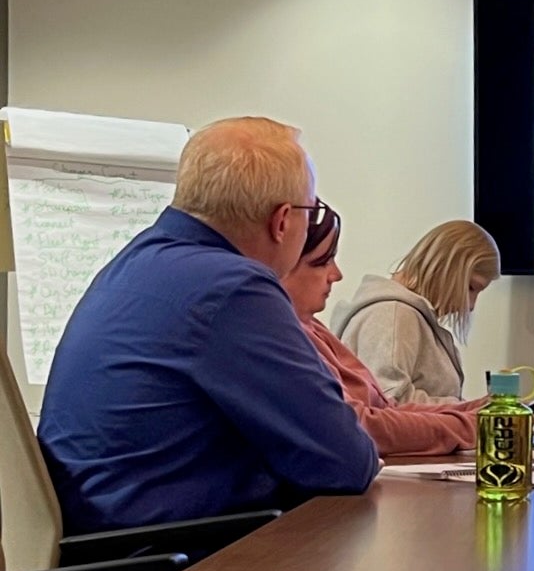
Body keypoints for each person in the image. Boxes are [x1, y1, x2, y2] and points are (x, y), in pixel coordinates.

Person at [39, 117, 380, 533]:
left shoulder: (137, 262)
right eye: (311, 213)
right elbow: (345, 461)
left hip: (108, 549)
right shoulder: (233, 288)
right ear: (283, 221)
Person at [281, 205, 484, 457]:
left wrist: (479, 410)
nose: (337, 274)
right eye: (321, 262)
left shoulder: (313, 329)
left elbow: (386, 408)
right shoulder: (392, 314)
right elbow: (363, 425)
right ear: (281, 264)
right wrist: (471, 424)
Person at [332, 221, 500, 404]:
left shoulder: (403, 315)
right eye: (470, 287)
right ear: (447, 269)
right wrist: (470, 410)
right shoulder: (393, 315)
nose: (470, 306)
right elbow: (392, 403)